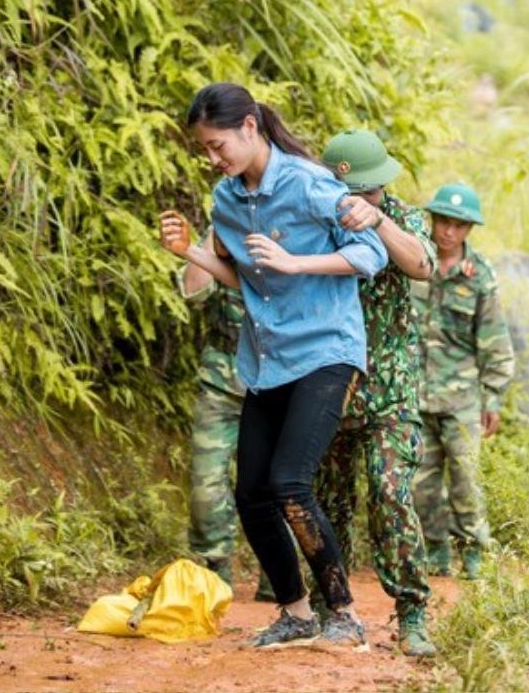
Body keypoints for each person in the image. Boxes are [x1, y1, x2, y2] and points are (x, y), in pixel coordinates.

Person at [159, 83, 387, 649]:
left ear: (250, 129)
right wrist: (191, 251)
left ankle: (343, 615)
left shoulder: (310, 184)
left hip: (326, 351)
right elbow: (248, 279)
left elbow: (371, 255)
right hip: (266, 359)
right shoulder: (226, 200)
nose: (213, 159)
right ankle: (296, 613)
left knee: (289, 483)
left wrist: (295, 259)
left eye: (218, 146)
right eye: (205, 150)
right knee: (251, 493)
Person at [313, 129, 438, 657]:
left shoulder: (403, 217)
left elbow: (422, 265)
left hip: (389, 395)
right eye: (358, 194)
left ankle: (411, 613)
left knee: (391, 495)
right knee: (325, 505)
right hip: (327, 388)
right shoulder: (317, 219)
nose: (365, 200)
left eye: (371, 192)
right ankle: (328, 609)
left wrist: (378, 220)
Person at [411, 183, 515, 580]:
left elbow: (494, 340)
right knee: (421, 482)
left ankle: (473, 551)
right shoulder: (412, 263)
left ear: (468, 229)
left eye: (458, 225)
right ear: (432, 221)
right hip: (415, 394)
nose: (448, 232)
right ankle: (435, 550)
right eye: (442, 222)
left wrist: (494, 398)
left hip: (461, 398)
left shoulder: (479, 276)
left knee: (466, 479)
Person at [175, 229, 274, 601]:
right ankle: (214, 570)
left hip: (275, 382)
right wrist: (214, 232)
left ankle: (276, 572)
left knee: (273, 484)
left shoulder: (289, 224)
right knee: (206, 482)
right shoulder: (220, 234)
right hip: (222, 381)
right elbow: (194, 293)